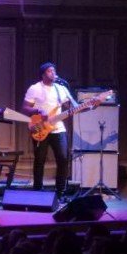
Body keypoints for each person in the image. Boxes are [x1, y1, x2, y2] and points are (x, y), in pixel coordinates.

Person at [22, 61, 78, 199]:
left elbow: (70, 107)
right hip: (41, 127)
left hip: (58, 128)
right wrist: (38, 110)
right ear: (43, 74)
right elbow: (25, 108)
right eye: (49, 71)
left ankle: (60, 193)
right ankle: (37, 191)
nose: (53, 73)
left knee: (63, 159)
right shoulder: (35, 88)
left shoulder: (61, 88)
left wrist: (87, 106)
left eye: (54, 70)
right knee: (40, 160)